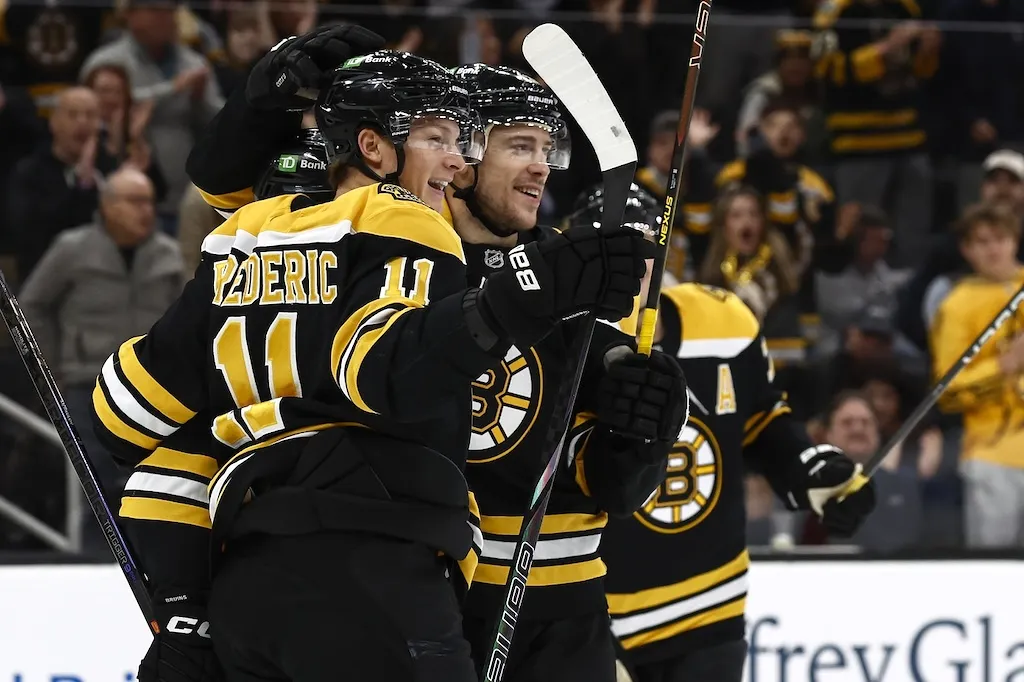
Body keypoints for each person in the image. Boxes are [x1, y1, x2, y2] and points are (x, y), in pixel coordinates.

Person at [92, 44, 654, 682]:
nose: (456, 160)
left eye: (462, 140)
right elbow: (380, 372)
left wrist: (185, 615)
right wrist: (519, 299)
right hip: (373, 574)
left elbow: (122, 417)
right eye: (437, 137)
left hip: (249, 585)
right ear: (373, 147)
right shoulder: (401, 219)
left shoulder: (247, 233)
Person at [449, 68, 688, 682]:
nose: (541, 167)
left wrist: (638, 439)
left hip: (565, 609)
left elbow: (610, 484)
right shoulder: (412, 259)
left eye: (546, 148)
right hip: (435, 602)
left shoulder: (575, 270)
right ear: (463, 153)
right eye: (519, 146)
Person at [595, 195, 877, 682]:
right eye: (608, 250)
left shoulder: (725, 323)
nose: (631, 267)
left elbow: (764, 422)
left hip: (710, 606)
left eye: (644, 250)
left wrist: (813, 471)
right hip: (593, 615)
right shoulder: (555, 343)